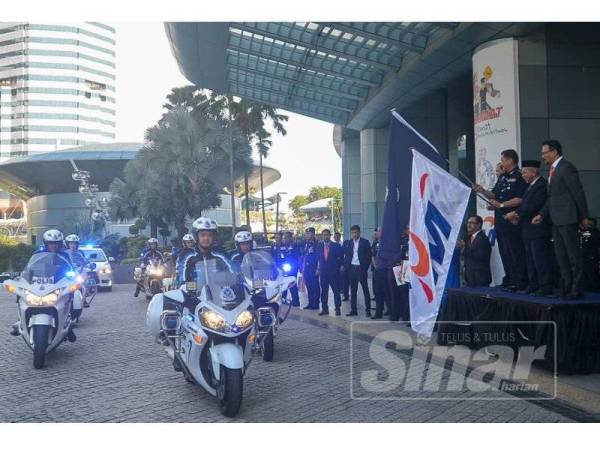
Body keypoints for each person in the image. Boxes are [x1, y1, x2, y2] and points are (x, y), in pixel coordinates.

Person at [533, 140, 589, 299]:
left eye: (545, 153)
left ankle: (576, 289)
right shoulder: (552, 170)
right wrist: (542, 214)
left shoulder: (566, 168)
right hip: (556, 220)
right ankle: (566, 286)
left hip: (568, 218)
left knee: (573, 256)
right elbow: (551, 197)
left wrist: (583, 216)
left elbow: (578, 192)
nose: (543, 156)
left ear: (555, 152)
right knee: (561, 256)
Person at [474, 149, 528, 291]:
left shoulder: (519, 176)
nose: (502, 163)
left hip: (512, 220)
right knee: (504, 251)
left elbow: (521, 199)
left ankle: (520, 280)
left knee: (514, 251)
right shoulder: (503, 177)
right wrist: (482, 190)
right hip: (500, 221)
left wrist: (502, 204)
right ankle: (509, 278)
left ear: (510, 160)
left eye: (503, 160)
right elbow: (494, 194)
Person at [10, 229, 74, 337]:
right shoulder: (38, 254)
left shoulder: (64, 255)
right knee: (21, 294)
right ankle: (19, 322)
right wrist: (23, 274)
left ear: (60, 244)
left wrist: (72, 275)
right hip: (39, 282)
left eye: (56, 243)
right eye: (51, 243)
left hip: (57, 282)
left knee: (70, 295)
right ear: (46, 243)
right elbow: (30, 267)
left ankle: (68, 324)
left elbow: (70, 268)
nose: (53, 246)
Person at [504, 160, 554, 296]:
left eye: (525, 172)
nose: (523, 175)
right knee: (530, 259)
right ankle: (533, 285)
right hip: (527, 229)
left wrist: (516, 214)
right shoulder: (530, 186)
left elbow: (533, 206)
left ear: (533, 171)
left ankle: (545, 286)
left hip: (538, 229)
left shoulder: (541, 185)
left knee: (540, 259)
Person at [342, 225, 372, 317]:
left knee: (365, 290)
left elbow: (369, 256)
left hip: (361, 269)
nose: (354, 234)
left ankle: (368, 310)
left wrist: (365, 268)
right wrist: (346, 267)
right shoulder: (348, 243)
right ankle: (353, 310)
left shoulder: (365, 242)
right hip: (352, 269)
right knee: (353, 291)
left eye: (355, 232)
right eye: (352, 233)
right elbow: (346, 256)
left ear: (359, 232)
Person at [458, 216, 492, 288]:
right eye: (468, 223)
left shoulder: (483, 238)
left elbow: (481, 256)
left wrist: (464, 247)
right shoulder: (468, 238)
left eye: (471, 223)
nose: (468, 225)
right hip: (470, 279)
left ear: (479, 225)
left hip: (480, 279)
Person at [317, 229, 344, 316]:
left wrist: (341, 266)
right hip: (323, 273)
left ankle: (338, 308)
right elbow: (318, 259)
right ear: (322, 236)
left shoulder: (336, 246)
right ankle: (325, 309)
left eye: (327, 235)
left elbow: (341, 257)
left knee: (336, 291)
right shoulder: (319, 246)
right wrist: (318, 269)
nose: (326, 236)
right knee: (324, 291)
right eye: (324, 235)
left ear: (330, 235)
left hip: (334, 272)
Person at [272, 231, 300, 307]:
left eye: (286, 237)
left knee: (292, 284)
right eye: (284, 238)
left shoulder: (294, 246)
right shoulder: (275, 247)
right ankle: (282, 299)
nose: (285, 239)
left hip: (291, 268)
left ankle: (296, 301)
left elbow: (297, 257)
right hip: (281, 268)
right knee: (282, 284)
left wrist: (296, 266)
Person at [387, 228, 410, 323]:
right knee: (394, 293)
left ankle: (405, 315)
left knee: (403, 294)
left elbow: (407, 255)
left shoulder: (407, 240)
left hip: (403, 268)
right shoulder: (393, 241)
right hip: (394, 268)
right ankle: (395, 314)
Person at [371, 227, 390, 319]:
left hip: (386, 271)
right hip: (377, 271)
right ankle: (379, 312)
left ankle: (391, 310)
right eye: (377, 231)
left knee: (387, 292)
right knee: (377, 292)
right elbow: (373, 256)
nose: (377, 233)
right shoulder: (375, 243)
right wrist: (375, 266)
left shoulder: (388, 243)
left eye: (379, 231)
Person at [300, 227, 321, 310]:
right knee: (308, 286)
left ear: (313, 234)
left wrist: (318, 268)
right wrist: (301, 266)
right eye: (306, 233)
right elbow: (303, 255)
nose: (307, 235)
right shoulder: (305, 244)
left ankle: (316, 303)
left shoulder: (318, 244)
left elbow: (319, 257)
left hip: (313, 267)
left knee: (315, 285)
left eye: (309, 233)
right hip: (306, 268)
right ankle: (310, 302)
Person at [580, 218, 600, 292]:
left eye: (590, 224)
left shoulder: (594, 232)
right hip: (583, 256)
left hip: (591, 255)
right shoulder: (581, 231)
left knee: (592, 273)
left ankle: (594, 288)